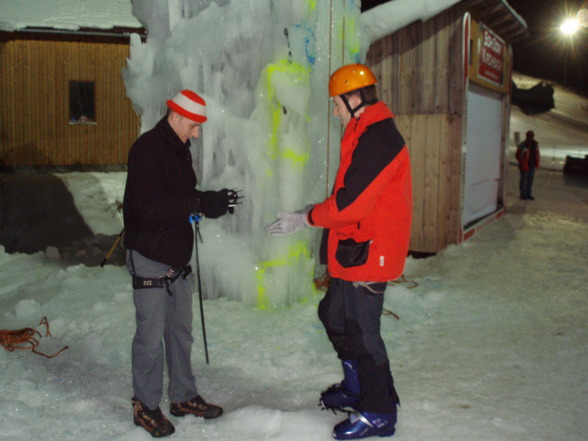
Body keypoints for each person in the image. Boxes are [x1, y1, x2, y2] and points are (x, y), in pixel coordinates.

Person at [266, 64, 412, 440]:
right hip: (354, 248)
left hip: (371, 252)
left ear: (354, 98)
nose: (333, 112)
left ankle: (379, 411)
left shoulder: (379, 137)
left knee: (363, 334)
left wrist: (306, 217)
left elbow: (350, 205)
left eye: (336, 103)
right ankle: (359, 386)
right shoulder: (361, 130)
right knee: (333, 314)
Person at [123, 89, 239, 438]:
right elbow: (150, 208)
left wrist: (209, 202)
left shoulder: (178, 150)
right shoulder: (147, 150)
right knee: (150, 337)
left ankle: (183, 397)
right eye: (193, 125)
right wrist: (201, 202)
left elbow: (180, 199)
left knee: (179, 333)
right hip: (150, 258)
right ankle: (145, 405)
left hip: (176, 258)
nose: (196, 133)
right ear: (175, 116)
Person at [516, 130, 540, 200]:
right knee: (524, 180)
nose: (531, 137)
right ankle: (523, 194)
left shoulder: (535, 144)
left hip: (532, 165)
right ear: (527, 136)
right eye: (529, 136)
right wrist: (522, 162)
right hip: (524, 165)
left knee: (530, 180)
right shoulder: (523, 145)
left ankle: (528, 194)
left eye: (532, 136)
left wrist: (537, 163)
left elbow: (537, 154)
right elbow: (518, 155)